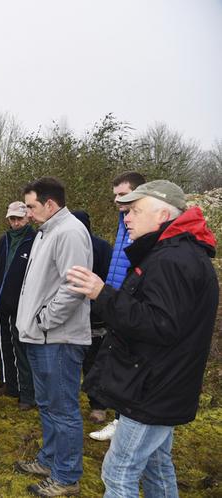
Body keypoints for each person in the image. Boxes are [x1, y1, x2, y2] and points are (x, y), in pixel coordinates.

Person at [67, 180, 218, 498]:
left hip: (151, 388)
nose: (127, 218)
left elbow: (160, 325)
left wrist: (102, 294)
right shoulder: (175, 253)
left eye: (135, 210)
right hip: (161, 384)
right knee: (156, 465)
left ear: (163, 213)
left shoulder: (172, 260)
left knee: (118, 471)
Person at [14, 177, 92, 497]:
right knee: (47, 403)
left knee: (63, 408)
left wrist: (45, 320)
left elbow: (74, 286)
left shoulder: (70, 232)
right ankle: (49, 460)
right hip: (39, 336)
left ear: (50, 204)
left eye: (31, 207)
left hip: (58, 339)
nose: (27, 213)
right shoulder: (47, 232)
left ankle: (67, 475)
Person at [90, 170, 146, 442]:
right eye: (115, 195)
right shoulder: (123, 221)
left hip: (131, 300)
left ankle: (125, 421)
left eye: (122, 194)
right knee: (116, 359)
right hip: (117, 296)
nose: (116, 200)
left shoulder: (143, 224)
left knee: (129, 362)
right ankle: (120, 418)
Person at [0, 201, 36, 410]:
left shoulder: (34, 239)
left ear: (27, 218)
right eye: (12, 218)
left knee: (21, 349)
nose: (15, 223)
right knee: (3, 345)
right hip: (0, 302)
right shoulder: (4, 239)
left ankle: (27, 393)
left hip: (21, 305)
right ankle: (7, 383)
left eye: (19, 218)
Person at [71, 210, 112, 425]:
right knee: (71, 361)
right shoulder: (65, 244)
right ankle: (69, 404)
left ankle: (98, 405)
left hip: (95, 317)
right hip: (69, 315)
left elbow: (109, 279)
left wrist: (100, 306)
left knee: (95, 363)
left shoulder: (102, 248)